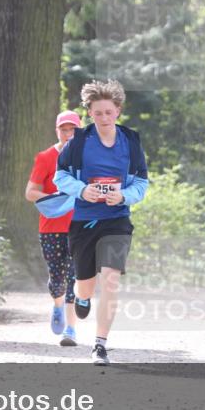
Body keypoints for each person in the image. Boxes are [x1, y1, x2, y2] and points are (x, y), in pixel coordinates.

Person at [53, 80, 149, 365]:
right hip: (84, 221)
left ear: (118, 111)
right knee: (85, 285)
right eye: (98, 113)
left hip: (117, 220)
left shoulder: (130, 141)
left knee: (110, 280)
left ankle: (100, 345)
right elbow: (60, 177)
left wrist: (123, 196)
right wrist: (83, 190)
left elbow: (142, 183)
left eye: (109, 112)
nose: (104, 118)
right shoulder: (79, 142)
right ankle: (82, 298)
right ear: (89, 114)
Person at [25, 111, 83, 346]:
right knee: (57, 277)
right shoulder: (46, 157)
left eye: (72, 130)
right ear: (57, 131)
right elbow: (30, 193)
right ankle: (57, 306)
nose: (68, 134)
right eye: (64, 130)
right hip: (50, 227)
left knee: (74, 276)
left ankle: (71, 330)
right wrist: (55, 198)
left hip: (80, 226)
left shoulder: (87, 158)